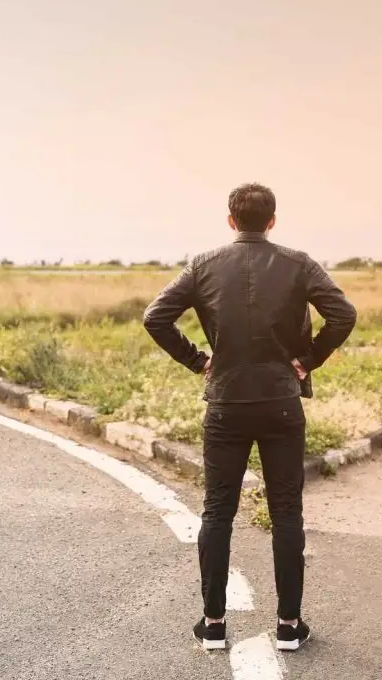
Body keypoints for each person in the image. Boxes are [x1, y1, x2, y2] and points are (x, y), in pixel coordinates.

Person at [142, 183, 357, 652]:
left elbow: (155, 317)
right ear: (273, 221)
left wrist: (199, 361)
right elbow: (343, 314)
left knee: (218, 511)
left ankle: (214, 625)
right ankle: (288, 626)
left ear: (231, 221)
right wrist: (308, 360)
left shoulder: (202, 264)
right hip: (281, 402)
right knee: (286, 512)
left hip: (226, 404)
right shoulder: (298, 263)